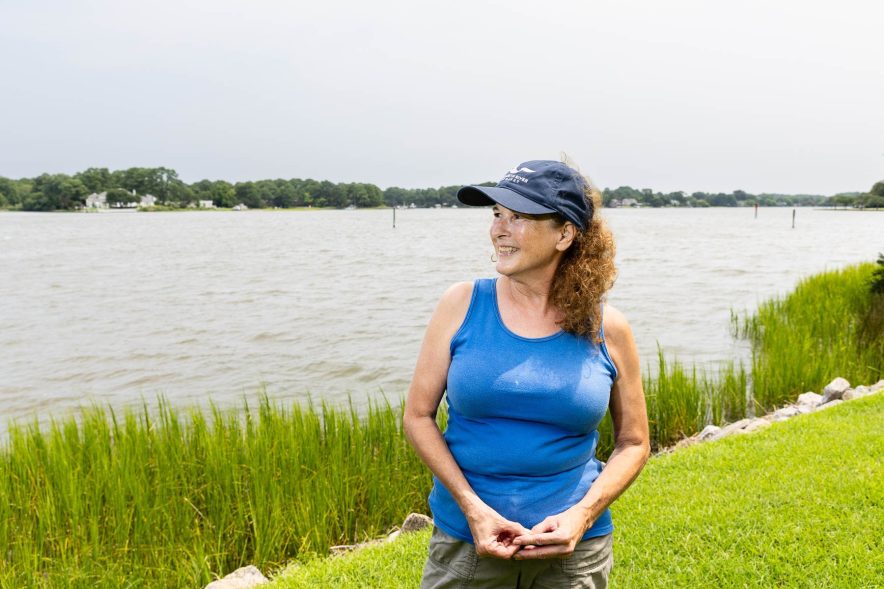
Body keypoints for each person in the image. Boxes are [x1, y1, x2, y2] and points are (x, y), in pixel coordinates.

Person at [403, 159, 650, 588]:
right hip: (466, 547)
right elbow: (417, 417)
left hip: (573, 556)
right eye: (497, 214)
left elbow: (634, 442)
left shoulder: (608, 328)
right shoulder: (460, 304)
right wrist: (473, 510)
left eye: (518, 217)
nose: (500, 229)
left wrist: (581, 516)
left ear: (564, 234)